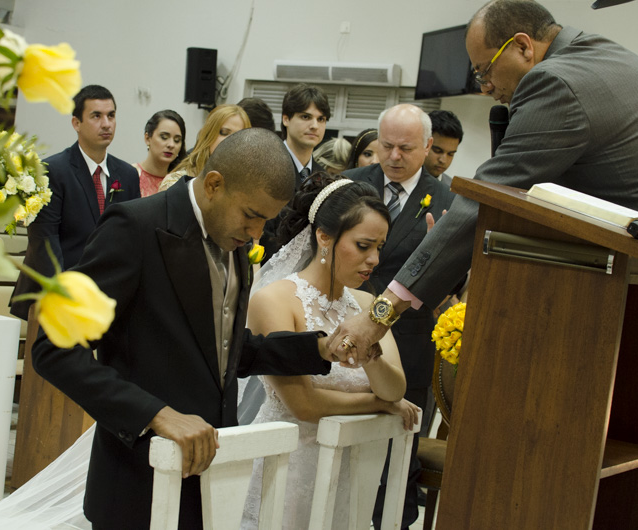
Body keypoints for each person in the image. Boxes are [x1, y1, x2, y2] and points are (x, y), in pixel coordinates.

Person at [30, 128, 358, 529]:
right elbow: (53, 348)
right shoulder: (134, 227)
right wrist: (156, 414)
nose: (257, 235)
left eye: (266, 222)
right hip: (138, 476)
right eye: (252, 216)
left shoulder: (235, 245)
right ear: (215, 185)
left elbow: (225, 349)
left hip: (212, 475)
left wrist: (319, 349)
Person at [329, 0, 638, 371]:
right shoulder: (603, 53)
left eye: (484, 70)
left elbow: (487, 200)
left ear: (523, 46)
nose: (485, 87)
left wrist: (380, 314)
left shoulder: (554, 81)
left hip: (623, 284)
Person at [240, 173, 421, 529]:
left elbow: (395, 389)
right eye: (364, 245)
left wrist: (372, 360)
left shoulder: (369, 303)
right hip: (288, 465)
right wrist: (379, 404)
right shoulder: (274, 299)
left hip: (349, 466)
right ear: (324, 236)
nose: (374, 260)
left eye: (379, 248)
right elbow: (304, 405)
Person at [344, 103, 455, 529]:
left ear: (427, 147)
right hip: (345, 334)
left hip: (408, 346)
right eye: (385, 145)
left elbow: (453, 283)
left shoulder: (449, 201)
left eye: (405, 148)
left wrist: (439, 266)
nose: (392, 156)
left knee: (397, 454)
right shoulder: (350, 186)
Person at [10, 84, 140, 320]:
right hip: (54, 292)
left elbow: (131, 239)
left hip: (106, 296)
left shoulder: (127, 175)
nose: (106, 124)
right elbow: (45, 243)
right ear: (76, 123)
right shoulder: (52, 171)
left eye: (111, 115)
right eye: (96, 116)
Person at [260, 84, 331, 262]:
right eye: (306, 117)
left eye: (321, 119)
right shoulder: (264, 166)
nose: (314, 126)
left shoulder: (325, 178)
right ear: (286, 119)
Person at [158, 104, 250, 191]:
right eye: (224, 133)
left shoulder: (247, 186)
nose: (231, 140)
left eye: (238, 135)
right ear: (208, 135)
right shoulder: (177, 183)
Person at [134, 109, 186, 197]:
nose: (171, 145)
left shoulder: (181, 181)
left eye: (177, 140)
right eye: (164, 137)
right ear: (147, 138)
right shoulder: (131, 174)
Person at [423, 110, 463, 187]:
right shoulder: (398, 178)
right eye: (437, 151)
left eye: (450, 154)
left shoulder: (453, 191)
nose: (443, 160)